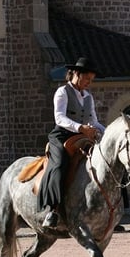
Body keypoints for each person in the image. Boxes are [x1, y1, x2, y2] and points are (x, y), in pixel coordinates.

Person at [39, 57, 106, 228]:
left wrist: (107, 132)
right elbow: (59, 117)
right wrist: (80, 128)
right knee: (60, 163)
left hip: (83, 136)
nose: (88, 83)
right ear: (76, 74)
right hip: (61, 136)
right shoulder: (62, 92)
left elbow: (94, 121)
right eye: (86, 79)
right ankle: (52, 210)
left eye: (91, 80)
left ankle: (110, 213)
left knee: (107, 161)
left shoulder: (88, 97)